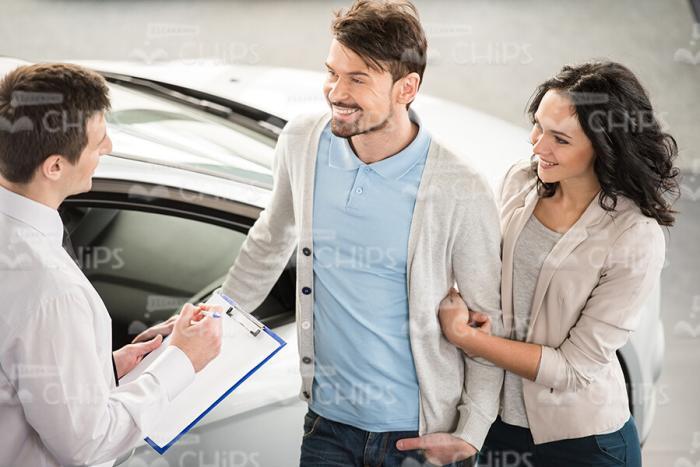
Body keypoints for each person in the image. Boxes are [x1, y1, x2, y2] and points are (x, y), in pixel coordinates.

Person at [221, 1, 504, 465]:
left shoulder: (460, 187)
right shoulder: (302, 142)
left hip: (417, 437)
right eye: (332, 72)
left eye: (358, 79)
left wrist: (472, 431)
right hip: (327, 426)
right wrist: (213, 321)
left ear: (405, 88)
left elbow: (487, 318)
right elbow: (270, 241)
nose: (336, 91)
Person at [439, 61, 679, 467]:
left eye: (560, 140)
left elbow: (572, 368)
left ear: (605, 146)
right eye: (538, 126)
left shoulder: (636, 237)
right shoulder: (520, 182)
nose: (536, 146)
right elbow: (491, 278)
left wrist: (469, 340)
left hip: (582, 446)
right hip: (499, 429)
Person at [0, 62, 222, 467]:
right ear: (54, 167)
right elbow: (89, 444)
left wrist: (104, 370)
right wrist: (182, 361)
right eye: (98, 141)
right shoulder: (51, 291)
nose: (109, 148)